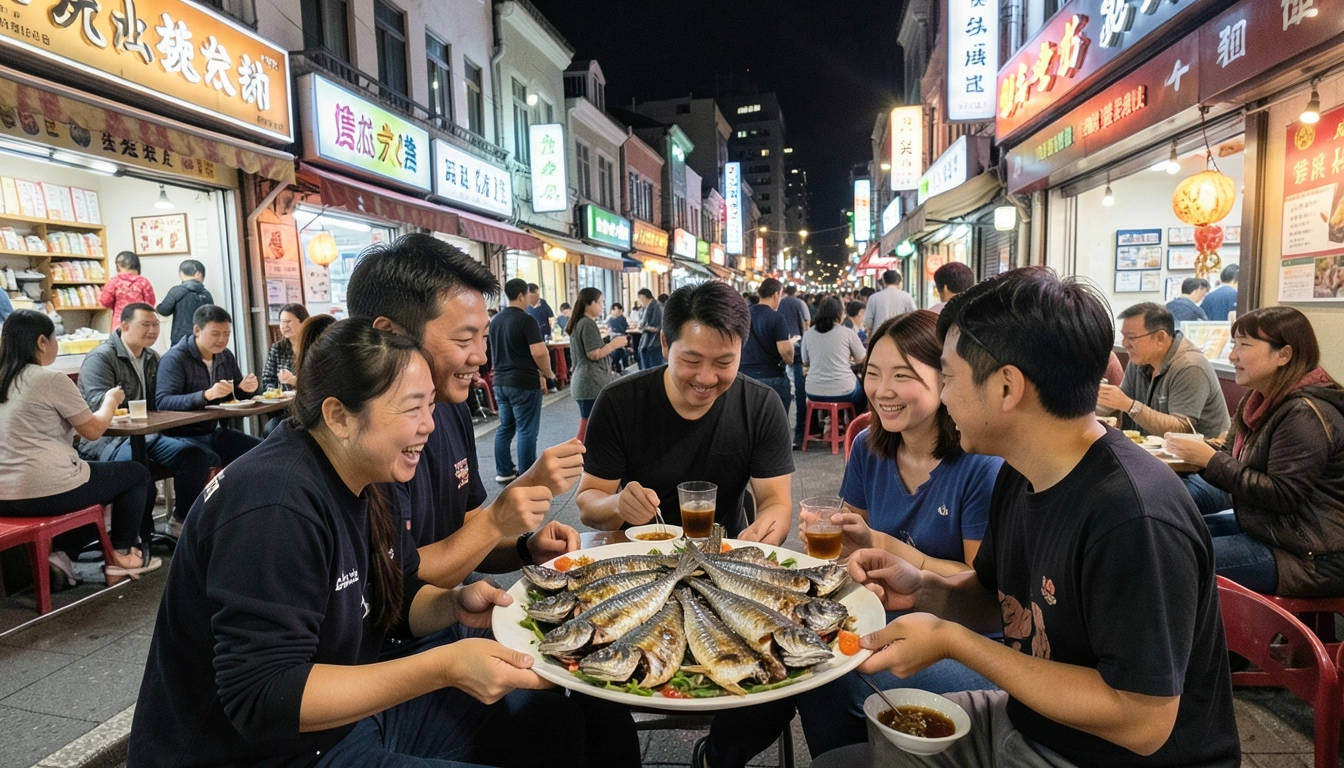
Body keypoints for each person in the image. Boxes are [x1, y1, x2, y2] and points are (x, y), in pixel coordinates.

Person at [823, 266, 1239, 768]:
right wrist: (924, 589)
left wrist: (953, 642)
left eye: (949, 378)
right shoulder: (1020, 474)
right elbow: (994, 598)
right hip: (1030, 721)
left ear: (1006, 388)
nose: (945, 397)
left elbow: (1142, 721)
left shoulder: (1133, 516)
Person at [127, 320, 584, 766]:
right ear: (339, 416)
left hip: (349, 726)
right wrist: (445, 666)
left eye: (430, 406)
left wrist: (454, 603)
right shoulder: (275, 504)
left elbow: (395, 595)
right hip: (266, 752)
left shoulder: (370, 471)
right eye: (411, 409)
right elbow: (263, 696)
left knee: (575, 723)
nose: (428, 425)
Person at [577, 280, 795, 768]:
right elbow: (589, 501)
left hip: (725, 569)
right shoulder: (621, 401)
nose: (707, 378)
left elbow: (776, 502)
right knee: (582, 675)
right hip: (636, 566)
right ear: (663, 345)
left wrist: (769, 529)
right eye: (691, 360)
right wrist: (616, 506)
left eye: (724, 363)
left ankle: (718, 756)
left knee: (784, 673)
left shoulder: (759, 405)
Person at [792, 310, 1001, 756]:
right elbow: (853, 542)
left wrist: (883, 545)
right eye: (872, 373)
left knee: (836, 678)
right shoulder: (870, 445)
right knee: (807, 653)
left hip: (969, 638)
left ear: (946, 379)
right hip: (884, 615)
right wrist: (837, 544)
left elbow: (980, 583)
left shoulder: (980, 463)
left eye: (903, 376)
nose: (882, 391)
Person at [345, 235, 582, 591]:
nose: (481, 357)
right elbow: (402, 581)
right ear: (389, 335)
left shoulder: (450, 409)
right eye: (463, 339)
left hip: (456, 611)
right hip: (403, 640)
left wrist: (526, 546)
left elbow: (468, 539)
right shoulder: (357, 441)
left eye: (483, 337)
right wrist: (497, 520)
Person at [1165, 306, 1344, 598]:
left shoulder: (1303, 413)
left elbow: (1283, 495)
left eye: (1244, 345)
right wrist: (1197, 454)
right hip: (1270, 531)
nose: (1232, 355)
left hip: (1312, 556)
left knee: (1173, 557)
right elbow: (1227, 457)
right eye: (1234, 344)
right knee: (1173, 532)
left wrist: (1208, 459)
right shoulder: (1258, 399)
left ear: (1284, 355)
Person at [0, 310, 159, 586]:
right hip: (45, 490)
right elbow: (94, 431)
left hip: (4, 495)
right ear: (41, 342)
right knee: (136, 474)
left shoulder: (4, 379)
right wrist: (111, 400)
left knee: (95, 480)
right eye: (54, 339)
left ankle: (63, 556)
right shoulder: (49, 379)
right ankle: (120, 556)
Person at [77, 303, 216, 539]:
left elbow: (163, 400)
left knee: (196, 456)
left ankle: (180, 520)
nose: (152, 330)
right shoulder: (101, 358)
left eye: (155, 325)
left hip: (148, 436)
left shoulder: (153, 357)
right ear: (124, 326)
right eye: (146, 324)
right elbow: (96, 404)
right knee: (140, 475)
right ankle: (132, 541)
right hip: (107, 440)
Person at [1097, 302, 1231, 516]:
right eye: (1123, 337)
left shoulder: (1190, 366)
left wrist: (1128, 405)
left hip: (1204, 476)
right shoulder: (1139, 362)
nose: (1125, 344)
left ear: (1160, 337)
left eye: (1131, 338)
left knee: (1139, 500)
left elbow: (1181, 429)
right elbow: (1117, 407)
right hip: (1156, 468)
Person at [155, 304, 262, 466]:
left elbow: (234, 395)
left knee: (262, 451)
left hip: (214, 431)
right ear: (197, 330)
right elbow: (163, 402)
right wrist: (205, 395)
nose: (222, 340)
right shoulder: (175, 359)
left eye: (227, 334)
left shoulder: (225, 355)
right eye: (215, 334)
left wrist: (244, 389)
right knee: (206, 459)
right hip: (180, 436)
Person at [491, 278, 556, 483]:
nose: (529, 297)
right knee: (526, 430)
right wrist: (548, 373)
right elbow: (539, 352)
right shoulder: (526, 320)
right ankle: (528, 475)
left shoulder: (496, 321)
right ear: (521, 295)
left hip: (500, 381)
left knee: (506, 427)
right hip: (523, 382)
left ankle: (504, 471)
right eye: (528, 294)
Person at [569, 287, 626, 440]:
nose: (602, 306)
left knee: (589, 424)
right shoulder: (587, 324)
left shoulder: (579, 322)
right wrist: (615, 344)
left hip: (584, 382)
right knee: (588, 426)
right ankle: (581, 458)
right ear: (590, 303)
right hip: (590, 383)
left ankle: (583, 457)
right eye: (600, 303)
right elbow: (594, 354)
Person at [740, 278, 795, 430]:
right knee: (776, 423)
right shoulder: (777, 318)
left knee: (748, 423)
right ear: (777, 294)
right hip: (771, 377)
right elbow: (785, 350)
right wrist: (790, 360)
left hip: (743, 376)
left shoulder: (744, 315)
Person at [801, 296, 867, 413]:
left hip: (813, 392)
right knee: (864, 396)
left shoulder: (808, 334)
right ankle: (851, 426)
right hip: (844, 391)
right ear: (839, 313)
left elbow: (806, 362)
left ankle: (824, 423)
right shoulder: (847, 333)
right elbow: (861, 359)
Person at [778, 284, 811, 449]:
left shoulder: (780, 304)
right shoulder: (800, 303)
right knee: (800, 393)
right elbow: (807, 322)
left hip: (780, 347)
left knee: (782, 391)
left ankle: (779, 433)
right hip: (798, 349)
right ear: (795, 291)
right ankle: (799, 435)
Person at [156, 259, 213, 345]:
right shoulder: (206, 294)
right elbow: (212, 316)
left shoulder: (177, 291)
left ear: (181, 274)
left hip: (180, 338)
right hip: (202, 337)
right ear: (198, 273)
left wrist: (157, 307)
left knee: (179, 358)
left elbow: (164, 311)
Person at [261, 303, 310, 392]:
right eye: (281, 321)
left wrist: (296, 381)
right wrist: (275, 393)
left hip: (310, 401)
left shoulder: (314, 346)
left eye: (288, 321)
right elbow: (267, 380)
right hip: (283, 402)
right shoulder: (278, 348)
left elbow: (321, 380)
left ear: (303, 322)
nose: (284, 326)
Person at [99, 251, 156, 323]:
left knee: (120, 334)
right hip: (140, 320)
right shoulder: (144, 282)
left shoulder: (114, 282)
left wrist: (115, 306)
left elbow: (105, 301)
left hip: (120, 321)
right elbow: (150, 303)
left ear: (118, 267)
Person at [864, 268, 917, 333]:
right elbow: (914, 318)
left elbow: (868, 322)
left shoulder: (873, 298)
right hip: (900, 335)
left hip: (879, 336)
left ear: (883, 281)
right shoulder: (907, 297)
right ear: (899, 282)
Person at [636, 287, 664, 370]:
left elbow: (658, 328)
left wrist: (644, 327)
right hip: (647, 343)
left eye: (640, 299)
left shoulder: (656, 306)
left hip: (654, 343)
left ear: (643, 297)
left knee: (652, 371)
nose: (640, 301)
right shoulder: (647, 307)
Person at [606, 302, 629, 372]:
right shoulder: (610, 319)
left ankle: (619, 365)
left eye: (620, 310)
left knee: (622, 350)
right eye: (617, 310)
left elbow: (624, 328)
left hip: (621, 338)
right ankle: (618, 366)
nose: (618, 311)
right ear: (612, 310)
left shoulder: (622, 318)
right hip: (613, 339)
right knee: (621, 350)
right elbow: (610, 329)